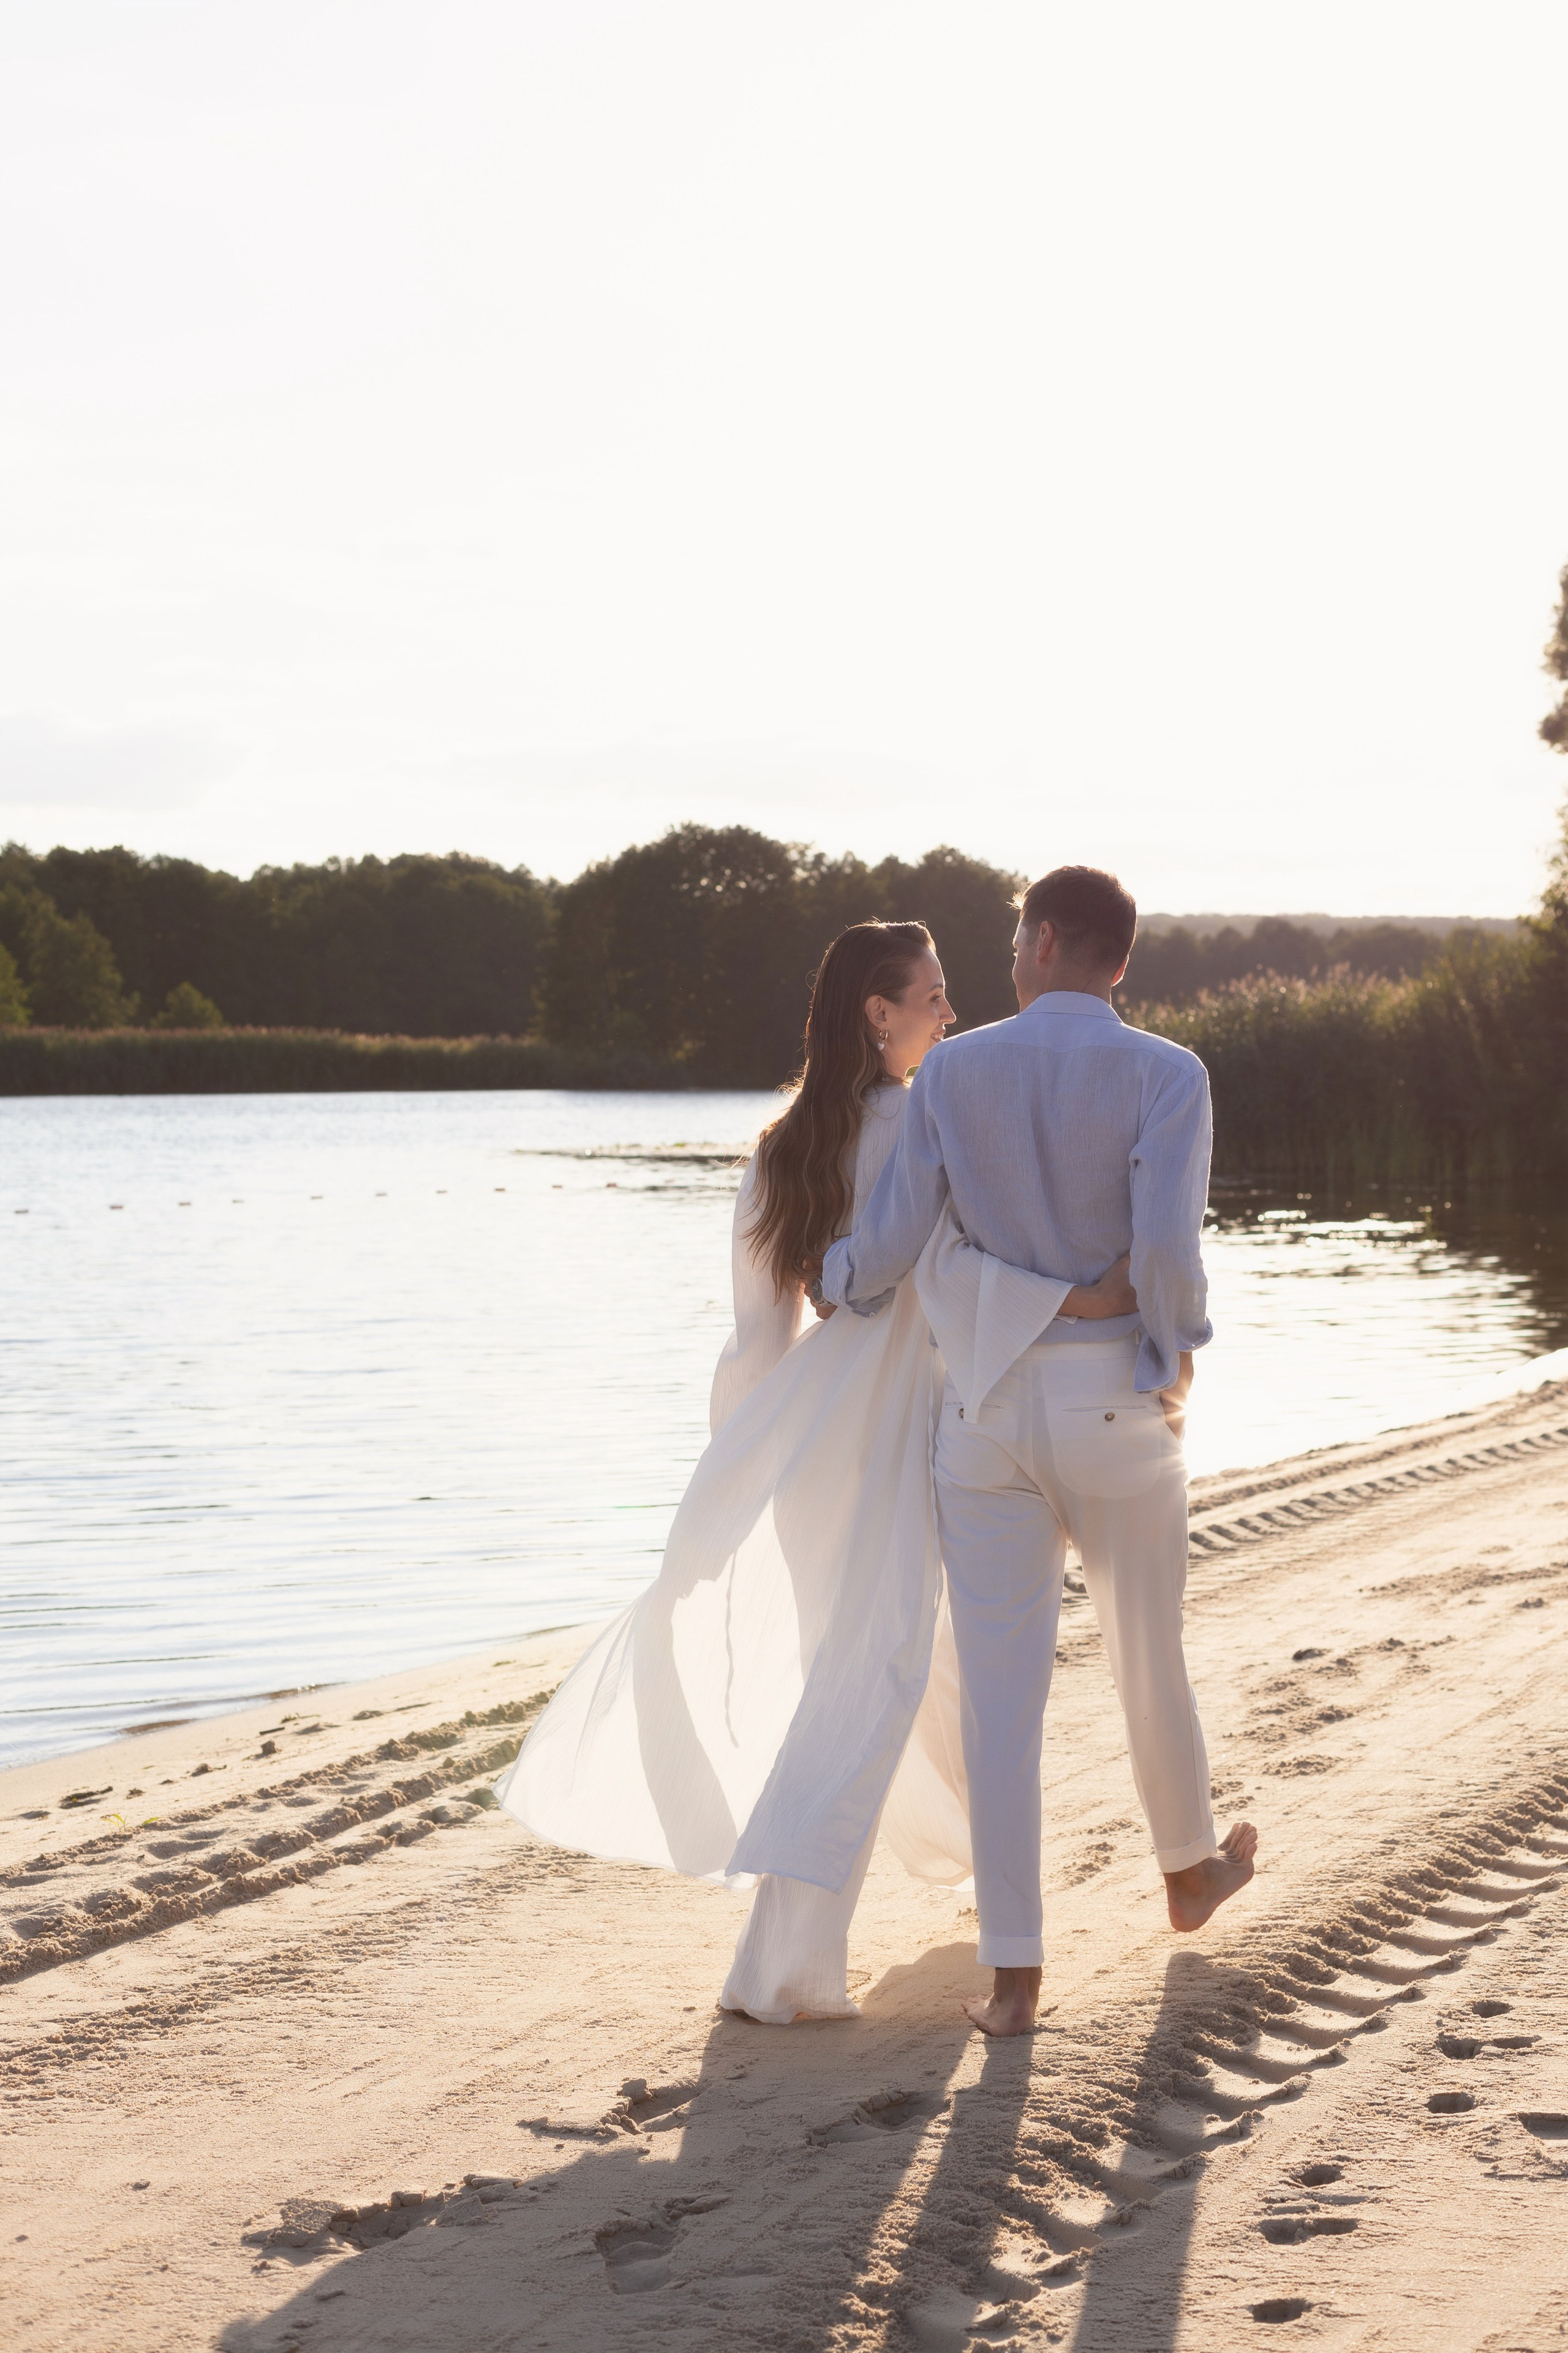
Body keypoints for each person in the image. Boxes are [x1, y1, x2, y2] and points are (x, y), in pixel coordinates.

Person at [496, 916, 1134, 2022]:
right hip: (913, 1426)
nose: (951, 1013)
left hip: (812, 1440)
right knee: (877, 1672)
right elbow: (972, 1271)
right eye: (932, 997)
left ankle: (968, 1865)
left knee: (899, 1660)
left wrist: (749, 1464)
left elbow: (759, 1340)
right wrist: (1079, 1312)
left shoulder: (778, 1149)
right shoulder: (932, 1121)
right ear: (877, 1013)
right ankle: (783, 1963)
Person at [819, 865, 1258, 2038]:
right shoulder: (1170, 1073)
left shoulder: (954, 1072)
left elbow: (893, 1241)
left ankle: (1015, 1978)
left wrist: (830, 1276)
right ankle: (1187, 1870)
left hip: (984, 1408)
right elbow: (1167, 1251)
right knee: (1148, 1653)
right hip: (1112, 1398)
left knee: (1001, 1699)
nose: (1010, 955)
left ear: (1050, 938)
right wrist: (1175, 1353)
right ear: (1121, 959)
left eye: (1018, 935)